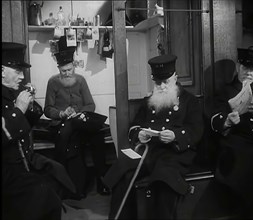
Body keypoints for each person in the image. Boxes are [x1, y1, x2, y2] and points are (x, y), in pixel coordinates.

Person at [103, 54, 204, 219]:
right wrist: (139, 135)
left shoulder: (189, 101)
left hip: (174, 154)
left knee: (164, 180)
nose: (162, 86)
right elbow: (134, 127)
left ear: (175, 77)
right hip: (149, 151)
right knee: (123, 172)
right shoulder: (149, 101)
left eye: (166, 82)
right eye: (158, 82)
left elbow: (196, 130)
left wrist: (175, 135)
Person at [2, 42, 76, 220]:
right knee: (44, 196)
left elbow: (28, 122)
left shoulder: (11, 92)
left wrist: (31, 104)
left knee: (57, 173)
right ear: (2, 71)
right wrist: (19, 109)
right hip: (7, 169)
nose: (22, 76)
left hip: (23, 160)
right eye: (17, 71)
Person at [44, 35, 110, 197]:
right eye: (63, 71)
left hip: (80, 122)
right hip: (62, 125)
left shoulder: (80, 80)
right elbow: (47, 109)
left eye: (69, 70)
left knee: (98, 138)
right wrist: (61, 113)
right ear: (58, 70)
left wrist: (80, 114)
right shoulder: (53, 82)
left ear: (74, 66)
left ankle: (102, 181)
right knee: (73, 138)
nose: (67, 74)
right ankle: (73, 186)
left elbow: (90, 105)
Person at [211, 46, 253, 219]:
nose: (249, 73)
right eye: (245, 68)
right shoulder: (225, 91)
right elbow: (215, 120)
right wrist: (227, 121)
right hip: (238, 150)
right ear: (238, 66)